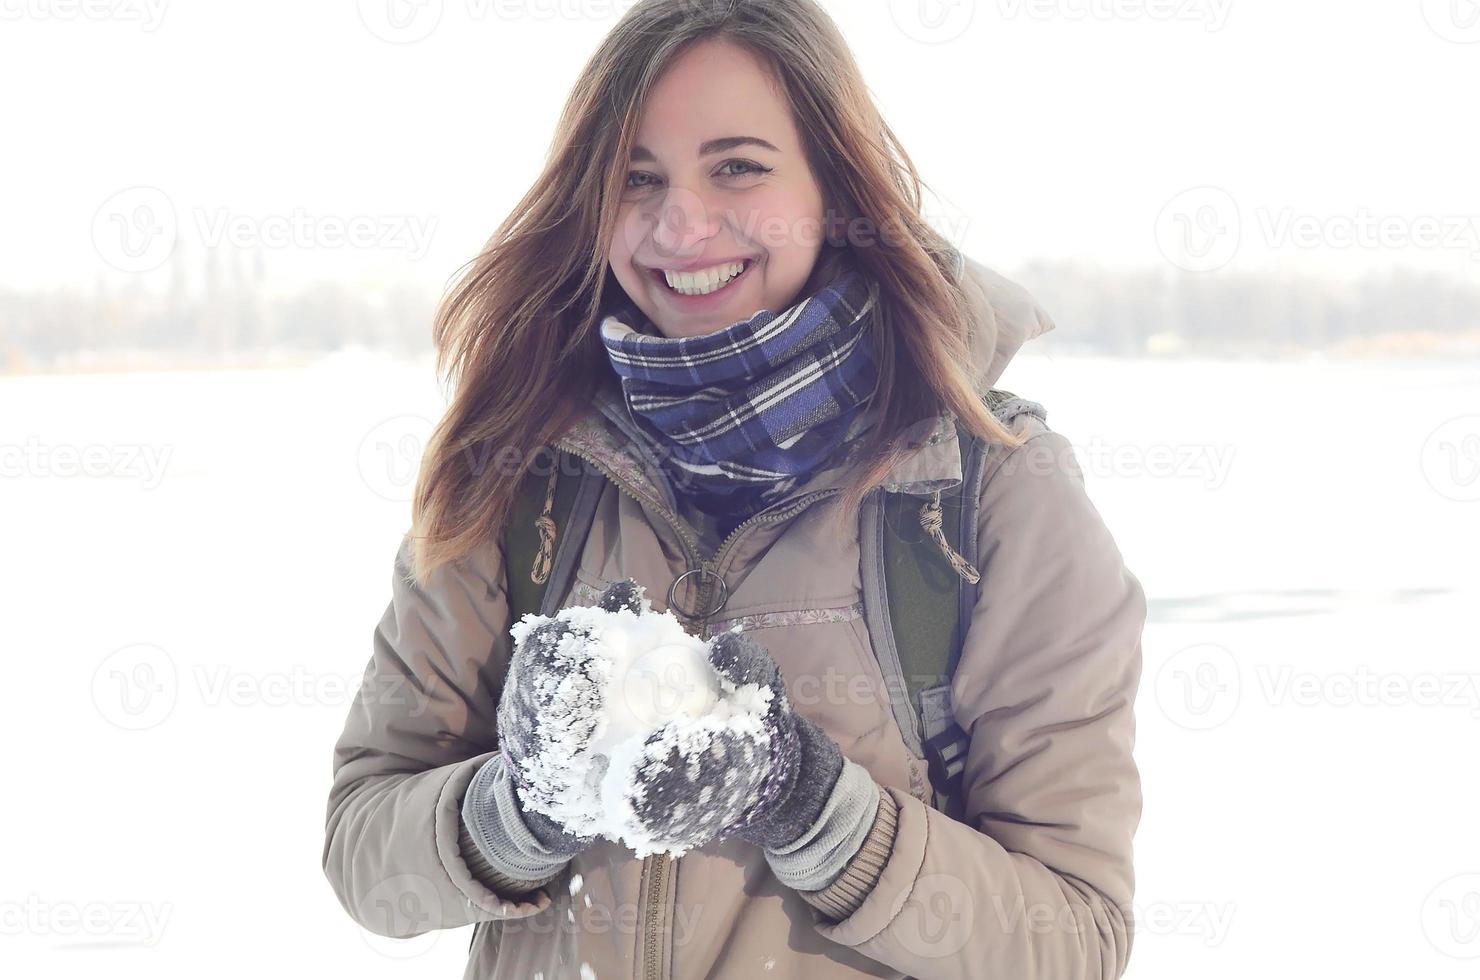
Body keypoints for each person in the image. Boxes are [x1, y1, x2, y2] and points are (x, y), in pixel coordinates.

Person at [321, 2, 1146, 977]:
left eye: (737, 167)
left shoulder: (986, 491)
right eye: (636, 178)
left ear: (836, 183)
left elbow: (1075, 936)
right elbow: (362, 853)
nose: (680, 224)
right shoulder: (516, 471)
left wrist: (812, 803)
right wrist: (525, 802)